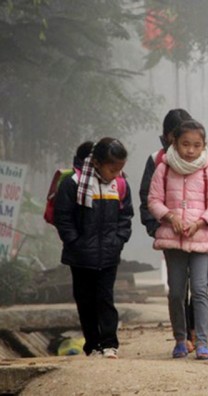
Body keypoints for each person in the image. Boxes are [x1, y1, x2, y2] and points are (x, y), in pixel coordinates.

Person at [139, 108, 208, 352]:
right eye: (184, 143)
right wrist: (164, 221)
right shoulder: (161, 166)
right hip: (171, 238)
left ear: (203, 145)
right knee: (176, 292)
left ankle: (201, 341)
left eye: (196, 144)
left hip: (201, 239)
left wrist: (204, 223)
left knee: (200, 290)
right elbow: (150, 198)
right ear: (171, 140)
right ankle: (180, 339)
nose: (190, 150)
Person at [54, 138, 133, 359]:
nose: (116, 174)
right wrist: (75, 242)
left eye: (120, 169)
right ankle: (92, 345)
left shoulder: (120, 185)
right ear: (97, 163)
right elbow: (63, 218)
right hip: (80, 257)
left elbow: (125, 217)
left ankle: (109, 343)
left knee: (105, 298)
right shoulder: (73, 184)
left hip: (109, 255)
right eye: (112, 168)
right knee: (85, 301)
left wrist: (118, 240)